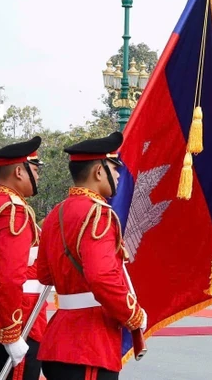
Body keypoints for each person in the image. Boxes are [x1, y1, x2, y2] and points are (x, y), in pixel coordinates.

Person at [36, 132, 147, 380]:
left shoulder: (56, 213)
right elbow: (102, 277)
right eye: (114, 168)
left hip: (59, 340)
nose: (118, 174)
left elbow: (44, 274)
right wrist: (133, 314)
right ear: (99, 171)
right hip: (89, 345)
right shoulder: (99, 214)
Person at [0, 137, 47, 379]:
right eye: (35, 170)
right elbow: (9, 277)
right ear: (19, 171)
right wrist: (12, 331)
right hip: (16, 316)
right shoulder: (12, 210)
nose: (38, 177)